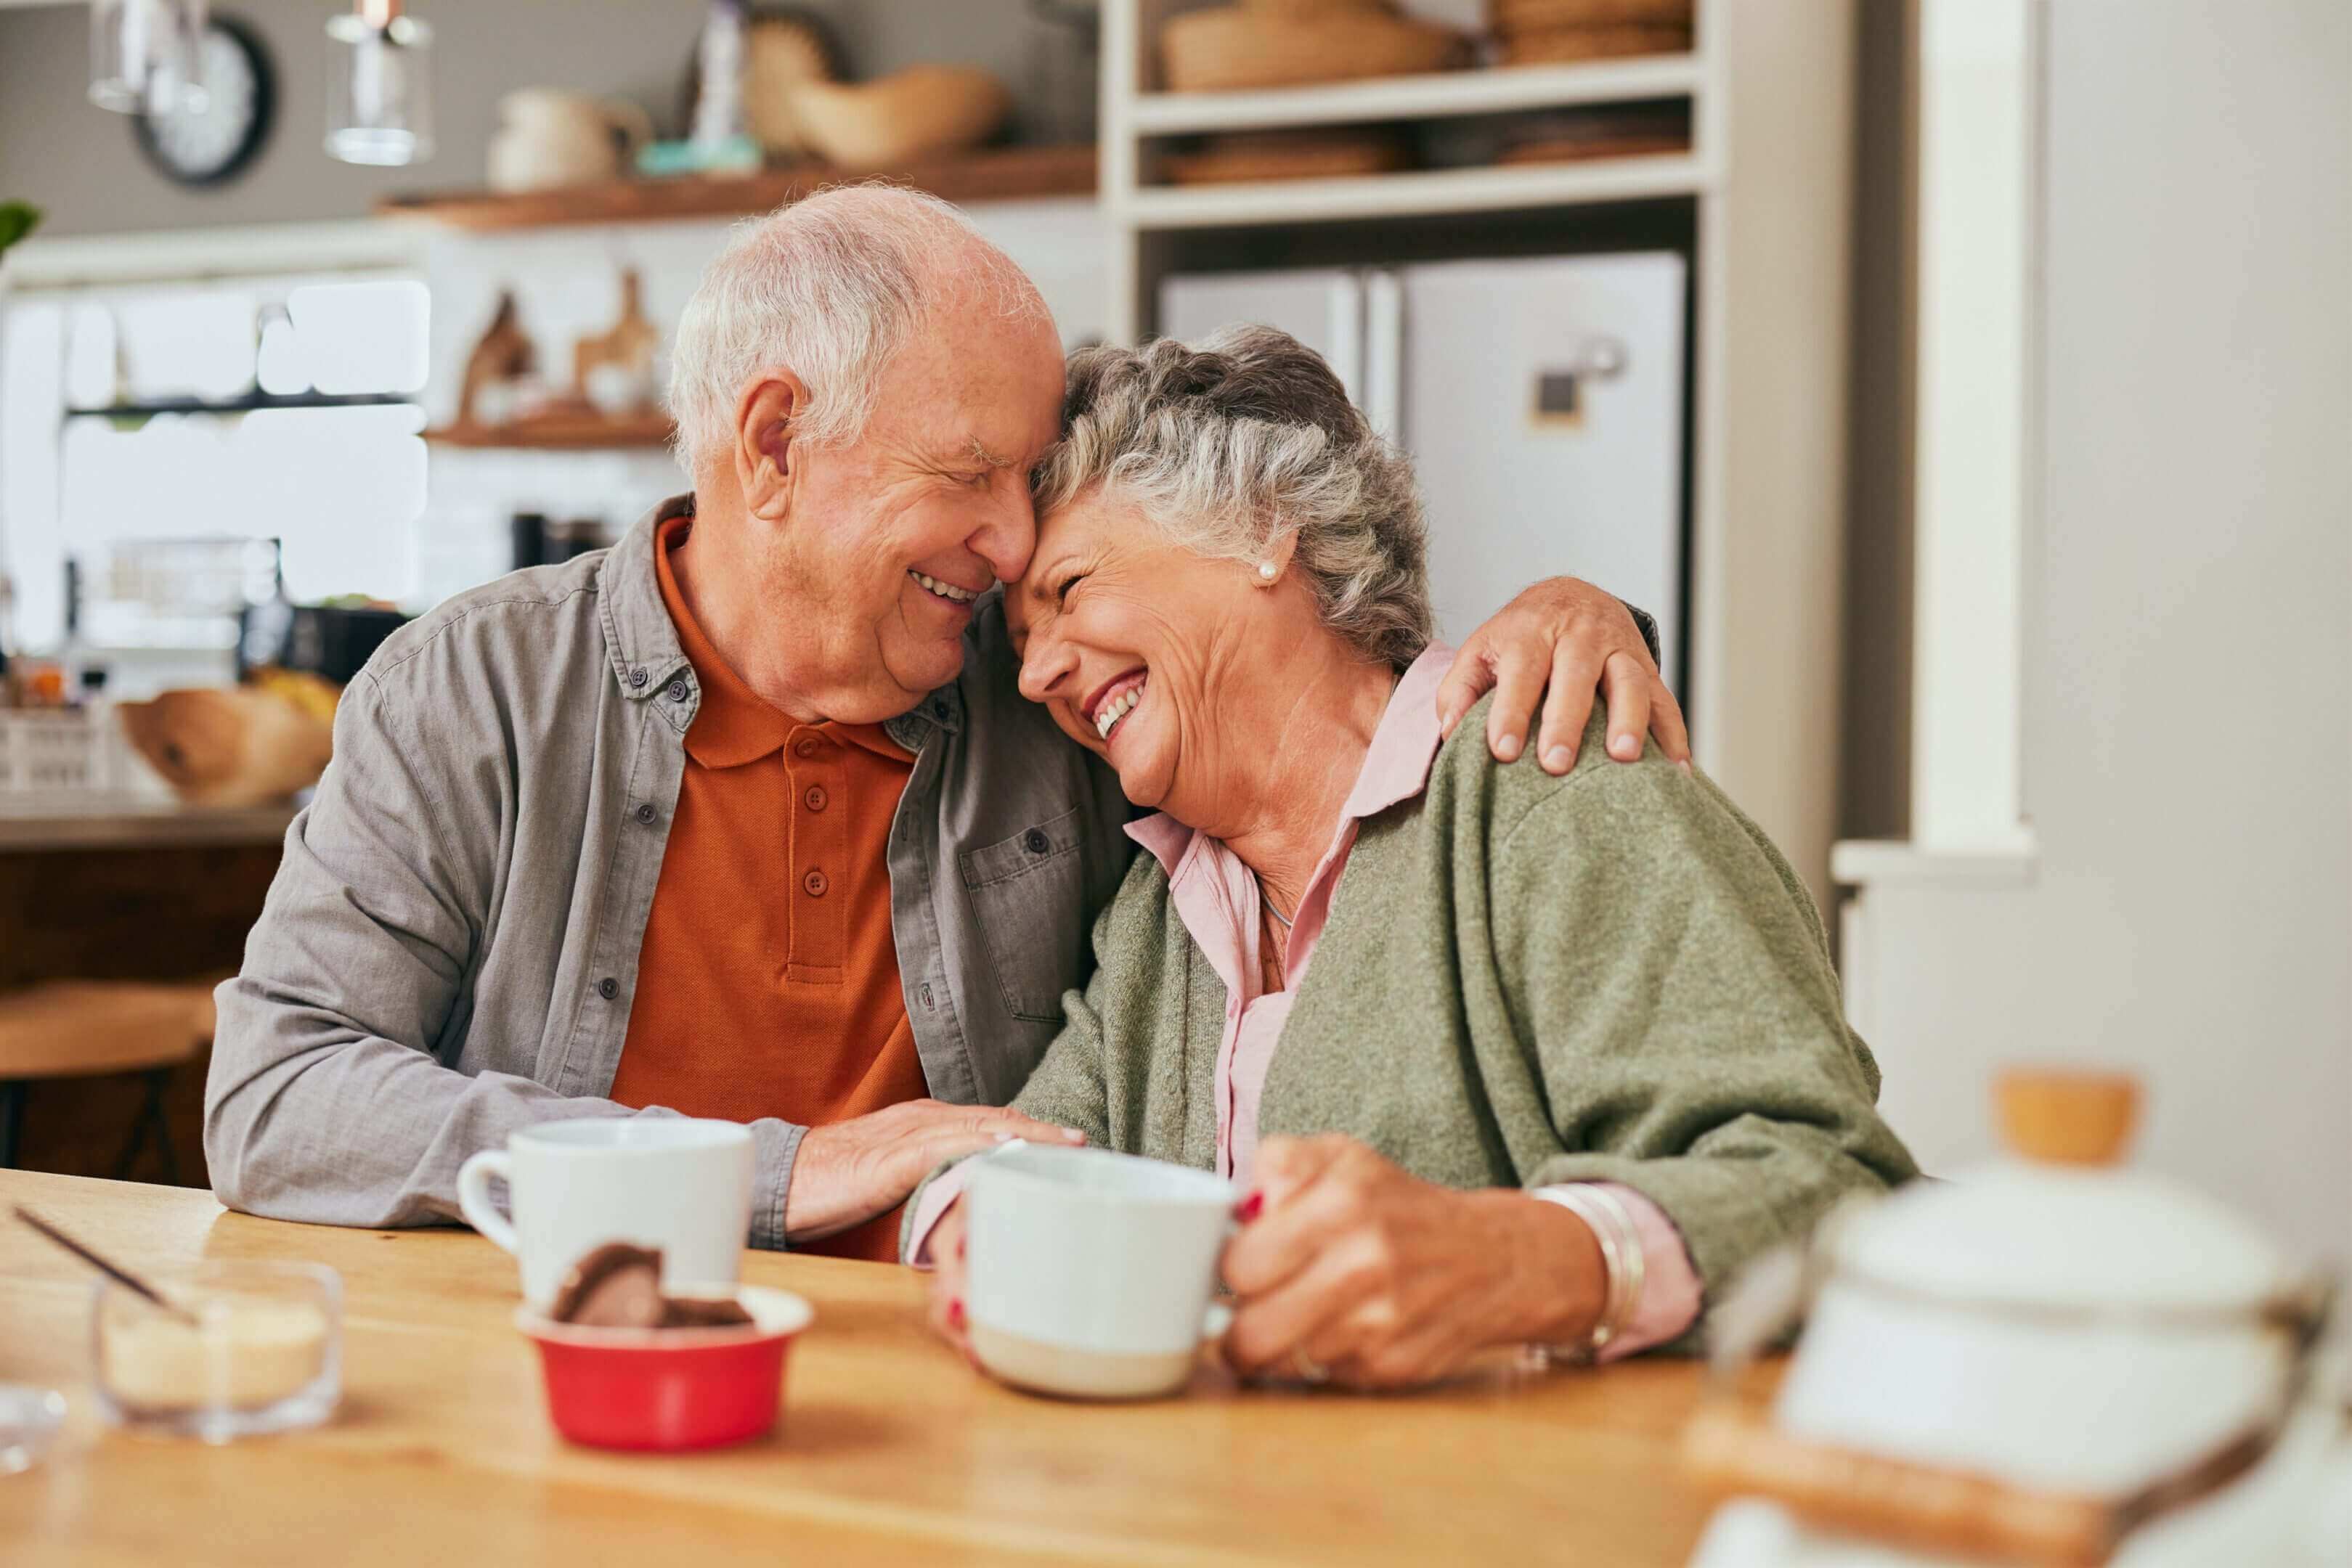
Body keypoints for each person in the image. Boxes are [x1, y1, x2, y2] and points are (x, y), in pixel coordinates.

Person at [203, 187, 1689, 1260]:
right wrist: (762, 1174)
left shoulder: (1040, 687)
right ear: (775, 444)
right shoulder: (475, 689)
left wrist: (1573, 610)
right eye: (972, 474)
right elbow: (278, 1098)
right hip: (566, 1370)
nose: (1014, 544)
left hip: (950, 1391)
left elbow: (1311, 687)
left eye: (1030, 490)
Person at [912, 326, 1916, 1384]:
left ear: (1262, 531)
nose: (1038, 677)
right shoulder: (1163, 910)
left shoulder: (1548, 788)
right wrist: (972, 1217)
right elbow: (1032, 1154)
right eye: (1020, 650)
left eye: (1069, 590)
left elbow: (1831, 1182)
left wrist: (1520, 1262)